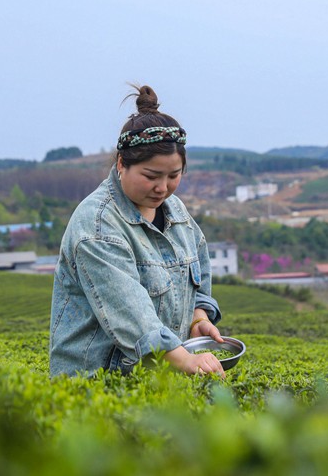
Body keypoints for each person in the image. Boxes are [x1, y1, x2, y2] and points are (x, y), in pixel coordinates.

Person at [50, 84, 225, 378]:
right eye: (151, 176)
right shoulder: (98, 225)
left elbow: (197, 280)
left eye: (174, 175)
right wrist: (185, 360)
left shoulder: (177, 214)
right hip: (97, 385)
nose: (163, 187)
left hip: (157, 380)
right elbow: (130, 311)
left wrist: (198, 318)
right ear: (122, 163)